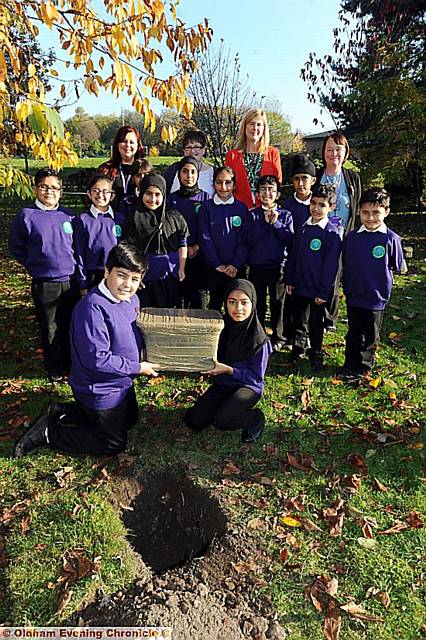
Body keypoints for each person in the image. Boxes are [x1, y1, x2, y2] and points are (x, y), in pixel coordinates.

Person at [14, 243, 160, 458]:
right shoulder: (92, 309)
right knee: (114, 443)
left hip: (120, 380)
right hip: (99, 386)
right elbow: (97, 360)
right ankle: (50, 432)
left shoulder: (132, 299)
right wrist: (138, 367)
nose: (127, 285)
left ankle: (65, 411)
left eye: (135, 279)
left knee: (130, 419)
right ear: (107, 271)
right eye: (121, 275)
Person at [9, 168, 77, 383]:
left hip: (70, 280)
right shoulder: (27, 215)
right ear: (36, 189)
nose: (49, 192)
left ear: (61, 191)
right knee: (50, 327)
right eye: (44, 187)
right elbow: (16, 246)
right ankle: (54, 367)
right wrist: (34, 266)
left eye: (54, 188)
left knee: (70, 323)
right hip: (46, 283)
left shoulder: (69, 216)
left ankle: (71, 363)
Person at [185, 279, 272, 443]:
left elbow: (255, 378)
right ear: (226, 302)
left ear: (252, 303)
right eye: (232, 302)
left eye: (244, 303)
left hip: (248, 387)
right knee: (194, 421)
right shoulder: (220, 328)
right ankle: (224, 405)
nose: (238, 309)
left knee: (222, 421)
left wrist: (228, 369)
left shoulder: (259, 340)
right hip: (224, 383)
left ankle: (255, 418)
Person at [339, 188, 404, 381]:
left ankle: (364, 365)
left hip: (376, 297)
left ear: (386, 212)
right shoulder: (351, 237)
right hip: (354, 294)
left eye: (376, 212)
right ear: (358, 211)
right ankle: (349, 363)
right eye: (366, 212)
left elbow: (396, 265)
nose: (370, 217)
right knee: (353, 332)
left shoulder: (391, 239)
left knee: (370, 334)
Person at [286, 184, 342, 372]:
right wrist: (290, 279)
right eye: (314, 203)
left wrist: (323, 291)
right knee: (299, 318)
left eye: (322, 205)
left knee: (316, 323)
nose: (316, 208)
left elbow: (330, 267)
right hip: (300, 285)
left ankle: (316, 352)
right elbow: (294, 255)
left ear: (331, 207)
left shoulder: (331, 233)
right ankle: (298, 347)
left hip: (317, 289)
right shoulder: (303, 227)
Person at [121, 173, 188, 308]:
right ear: (142, 193)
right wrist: (135, 276)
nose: (153, 199)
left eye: (157, 194)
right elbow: (127, 250)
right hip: (144, 282)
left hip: (170, 280)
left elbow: (182, 243)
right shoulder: (133, 219)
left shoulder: (174, 217)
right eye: (148, 194)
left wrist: (182, 268)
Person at [317, 131, 362, 330]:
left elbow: (357, 207)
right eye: (329, 149)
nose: (333, 153)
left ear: (345, 153)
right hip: (317, 234)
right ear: (323, 153)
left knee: (334, 274)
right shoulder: (316, 176)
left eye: (338, 149)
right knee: (316, 271)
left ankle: (330, 318)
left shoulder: (352, 178)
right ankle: (314, 310)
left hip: (343, 235)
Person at [242, 175, 293, 351]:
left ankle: (279, 336)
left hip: (278, 266)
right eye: (263, 189)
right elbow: (248, 240)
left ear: (278, 194)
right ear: (257, 193)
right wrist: (264, 224)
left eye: (271, 190)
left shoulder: (286, 215)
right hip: (257, 266)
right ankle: (259, 333)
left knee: (278, 303)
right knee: (259, 302)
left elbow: (290, 240)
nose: (267, 193)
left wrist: (275, 223)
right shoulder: (252, 215)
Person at [198, 166, 248, 311]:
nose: (223, 187)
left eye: (228, 182)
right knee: (215, 306)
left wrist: (235, 264)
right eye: (219, 182)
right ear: (213, 184)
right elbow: (205, 238)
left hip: (236, 269)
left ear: (234, 185)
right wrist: (217, 264)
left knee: (235, 307)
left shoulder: (241, 208)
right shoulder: (206, 208)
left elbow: (244, 239)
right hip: (215, 269)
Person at [167, 156, 210, 308]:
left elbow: (208, 229)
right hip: (178, 255)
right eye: (185, 171)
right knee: (180, 295)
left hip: (200, 255)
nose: (189, 176)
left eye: (193, 172)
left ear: (198, 174)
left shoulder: (206, 198)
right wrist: (182, 249)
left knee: (200, 295)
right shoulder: (171, 200)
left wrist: (196, 247)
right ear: (179, 174)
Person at [74, 174, 125, 295]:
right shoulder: (82, 220)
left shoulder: (120, 219)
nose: (100, 195)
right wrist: (82, 281)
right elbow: (79, 252)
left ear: (112, 195)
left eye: (105, 191)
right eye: (96, 190)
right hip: (92, 275)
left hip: (115, 273)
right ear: (89, 194)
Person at [225, 109, 282, 209]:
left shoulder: (273, 153)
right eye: (251, 124)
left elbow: (278, 183)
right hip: (239, 210)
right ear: (244, 127)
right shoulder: (232, 156)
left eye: (259, 124)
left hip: (266, 211)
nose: (255, 128)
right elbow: (228, 185)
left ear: (264, 128)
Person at [98, 125, 145, 202]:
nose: (128, 145)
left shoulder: (144, 170)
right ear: (117, 144)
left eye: (132, 142)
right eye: (124, 141)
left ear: (137, 145)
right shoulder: (105, 169)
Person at [164, 130, 214, 197]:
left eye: (196, 147)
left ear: (204, 150)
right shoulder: (173, 170)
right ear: (184, 150)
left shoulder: (213, 173)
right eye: (188, 147)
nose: (192, 151)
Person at [282, 154, 317, 233]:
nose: (300, 183)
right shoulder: (286, 207)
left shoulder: (319, 205)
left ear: (313, 180)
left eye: (304, 178)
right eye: (296, 179)